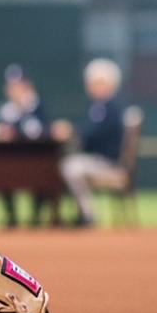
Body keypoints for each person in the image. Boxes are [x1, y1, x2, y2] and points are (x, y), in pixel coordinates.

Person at [53, 58, 129, 228]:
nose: (90, 86)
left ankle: (88, 215)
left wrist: (71, 131)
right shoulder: (99, 106)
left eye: (95, 82)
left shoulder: (109, 107)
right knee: (69, 163)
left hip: (108, 164)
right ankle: (82, 213)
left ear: (107, 83)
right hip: (100, 161)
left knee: (71, 166)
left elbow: (91, 133)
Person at [0, 64, 51, 227]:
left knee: (44, 174)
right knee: (1, 172)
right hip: (12, 160)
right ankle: (11, 216)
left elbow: (41, 130)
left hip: (36, 158)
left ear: (27, 86)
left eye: (19, 85)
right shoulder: (5, 109)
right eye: (12, 86)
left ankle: (36, 216)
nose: (15, 90)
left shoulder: (37, 105)